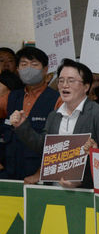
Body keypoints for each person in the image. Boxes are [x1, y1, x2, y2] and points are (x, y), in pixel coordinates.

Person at [9, 58, 99, 188]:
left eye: (71, 81)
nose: (65, 85)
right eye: (61, 81)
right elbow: (43, 147)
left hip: (85, 192)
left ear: (86, 87)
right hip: (54, 189)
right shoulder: (54, 115)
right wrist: (22, 126)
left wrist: (82, 179)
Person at [0, 47, 62, 181]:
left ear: (45, 70)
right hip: (9, 172)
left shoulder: (58, 100)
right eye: (23, 64)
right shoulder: (10, 97)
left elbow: (59, 143)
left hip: (39, 175)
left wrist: (41, 173)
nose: (28, 68)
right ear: (17, 69)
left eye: (34, 64)